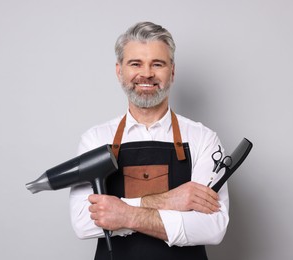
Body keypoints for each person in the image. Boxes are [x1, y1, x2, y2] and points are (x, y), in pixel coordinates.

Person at [69, 21, 229, 260]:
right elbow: (83, 222)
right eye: (135, 63)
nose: (146, 73)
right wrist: (170, 200)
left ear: (172, 72)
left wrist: (124, 214)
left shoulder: (203, 138)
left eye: (158, 64)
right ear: (119, 70)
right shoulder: (95, 139)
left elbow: (213, 227)